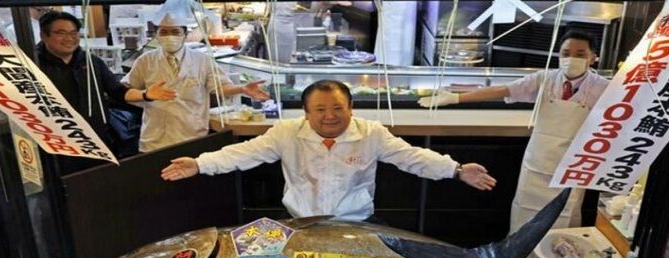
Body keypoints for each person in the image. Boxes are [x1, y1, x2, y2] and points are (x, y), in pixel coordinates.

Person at [161, 79, 497, 221]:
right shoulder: (286, 132)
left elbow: (412, 157)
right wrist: (200, 163)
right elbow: (243, 153)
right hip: (300, 222)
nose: (330, 116)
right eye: (320, 110)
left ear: (351, 107)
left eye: (338, 108)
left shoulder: (371, 132)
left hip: (358, 222)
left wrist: (456, 170)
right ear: (306, 113)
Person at [419, 30, 609, 235]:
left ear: (593, 57)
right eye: (566, 53)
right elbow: (504, 90)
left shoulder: (604, 87)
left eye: (580, 54)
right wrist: (455, 98)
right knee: (525, 214)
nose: (571, 59)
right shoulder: (545, 78)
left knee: (563, 215)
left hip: (572, 165)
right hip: (538, 160)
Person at [36, 11, 175, 171]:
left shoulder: (92, 61)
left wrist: (145, 95)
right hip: (58, 146)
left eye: (74, 32)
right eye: (61, 33)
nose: (69, 38)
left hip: (98, 141)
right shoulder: (34, 65)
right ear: (44, 35)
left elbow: (118, 91)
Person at [122, 13, 270, 153]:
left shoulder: (202, 60)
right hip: (155, 140)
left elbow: (220, 86)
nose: (169, 36)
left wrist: (242, 89)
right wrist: (146, 94)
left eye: (175, 32)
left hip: (193, 137)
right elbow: (125, 92)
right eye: (164, 32)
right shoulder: (145, 61)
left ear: (185, 35)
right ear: (157, 35)